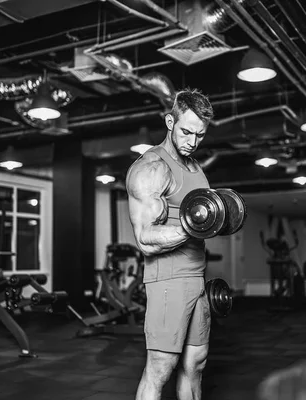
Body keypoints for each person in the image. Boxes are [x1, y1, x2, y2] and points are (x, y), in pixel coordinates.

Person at [126, 88, 214, 400]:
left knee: (196, 363)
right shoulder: (152, 167)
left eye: (200, 135)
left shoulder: (195, 167)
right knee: (161, 367)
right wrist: (195, 226)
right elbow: (145, 239)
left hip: (197, 278)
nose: (192, 141)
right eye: (186, 131)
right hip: (167, 280)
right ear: (169, 121)